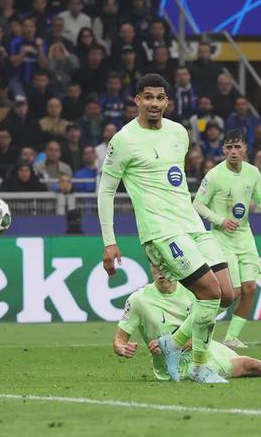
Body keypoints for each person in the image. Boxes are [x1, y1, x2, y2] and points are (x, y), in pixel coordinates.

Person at [97, 74, 237, 384]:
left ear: (167, 102)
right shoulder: (123, 140)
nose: (154, 103)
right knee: (209, 291)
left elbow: (173, 180)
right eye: (148, 97)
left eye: (160, 98)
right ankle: (199, 366)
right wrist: (109, 241)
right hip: (161, 231)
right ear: (137, 100)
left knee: (227, 294)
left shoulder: (179, 133)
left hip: (191, 224)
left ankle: (172, 343)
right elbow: (106, 191)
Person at [114, 264, 261, 381]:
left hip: (203, 348)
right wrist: (122, 348)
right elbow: (119, 340)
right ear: (150, 266)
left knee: (252, 364)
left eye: (164, 264)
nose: (160, 270)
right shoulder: (139, 300)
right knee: (250, 365)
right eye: (155, 264)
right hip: (176, 368)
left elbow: (205, 327)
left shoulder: (194, 292)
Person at [193, 129, 261, 349]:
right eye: (229, 147)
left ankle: (231, 337)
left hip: (244, 237)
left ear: (245, 149)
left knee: (250, 288)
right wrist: (220, 220)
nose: (233, 151)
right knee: (232, 293)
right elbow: (198, 204)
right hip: (221, 239)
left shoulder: (252, 172)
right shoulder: (214, 175)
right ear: (223, 150)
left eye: (237, 147)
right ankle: (193, 322)